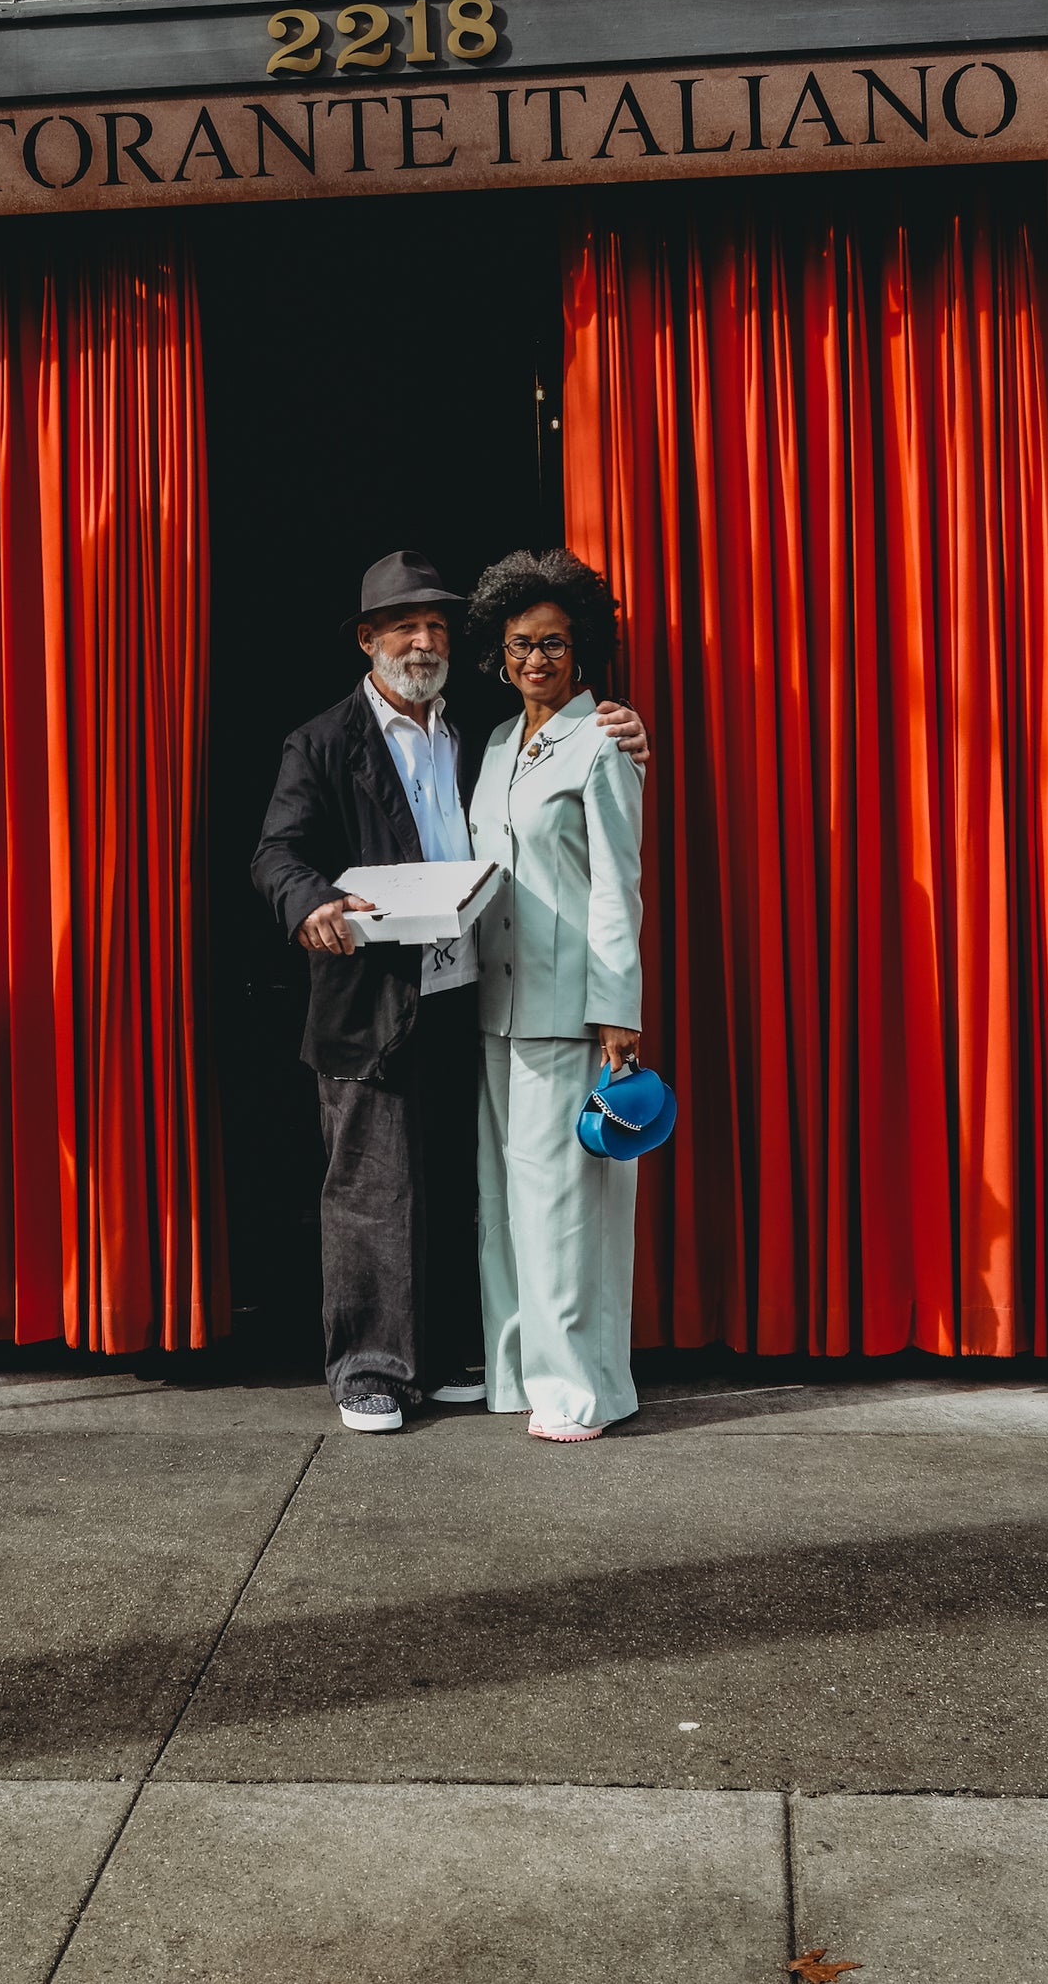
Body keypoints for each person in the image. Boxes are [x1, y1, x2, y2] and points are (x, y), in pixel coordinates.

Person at [252, 549, 648, 1435]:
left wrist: (629, 738)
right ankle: (373, 1374)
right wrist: (311, 901)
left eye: (436, 625)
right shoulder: (326, 741)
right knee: (373, 1190)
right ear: (368, 640)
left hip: (478, 998)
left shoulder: (484, 735)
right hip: (376, 998)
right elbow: (275, 853)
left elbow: (604, 864)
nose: (423, 640)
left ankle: (491, 1368)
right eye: (404, 625)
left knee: (479, 1195)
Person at [466, 548, 644, 1443]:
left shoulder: (605, 739)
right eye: (521, 644)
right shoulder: (498, 744)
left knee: (566, 1211)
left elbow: (619, 883)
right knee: (503, 1205)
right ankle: (516, 1375)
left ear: (582, 653)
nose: (537, 659)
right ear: (500, 656)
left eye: (555, 644)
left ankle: (578, 1392)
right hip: (493, 1010)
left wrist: (617, 1007)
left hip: (568, 1014)